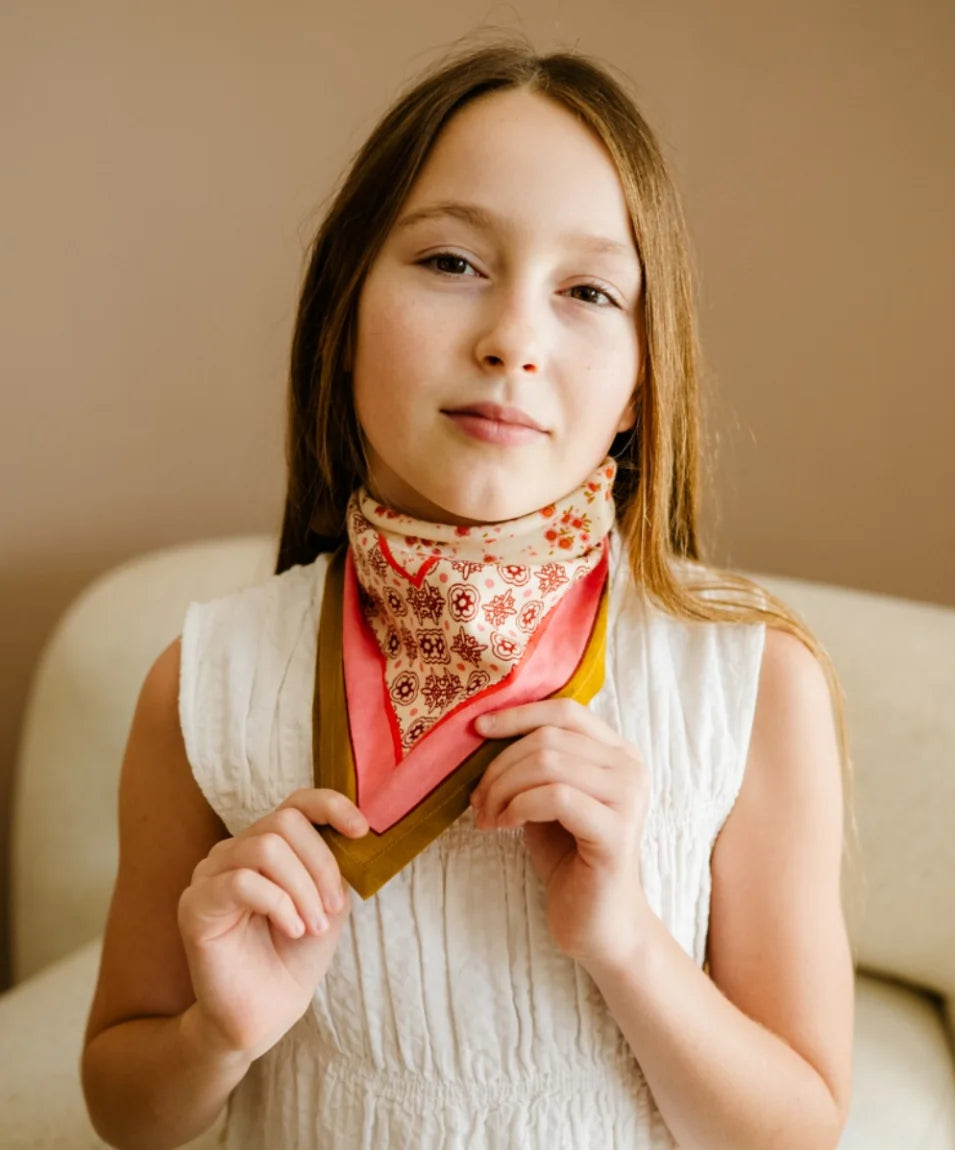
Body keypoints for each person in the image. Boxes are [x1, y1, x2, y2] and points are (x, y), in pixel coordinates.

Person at [81, 39, 854, 1150]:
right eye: (450, 263)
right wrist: (219, 1031)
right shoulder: (200, 688)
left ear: (640, 384)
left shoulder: (750, 683)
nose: (511, 341)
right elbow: (125, 1108)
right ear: (344, 306)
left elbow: (798, 1132)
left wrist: (625, 940)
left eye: (587, 290)